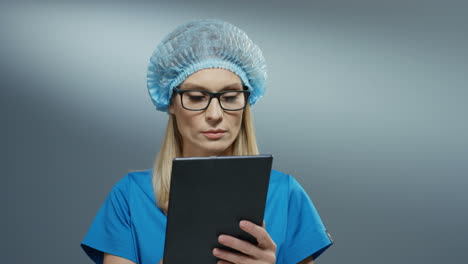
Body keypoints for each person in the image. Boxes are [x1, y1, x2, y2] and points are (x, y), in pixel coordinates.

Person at [80, 19, 333, 264]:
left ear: (247, 102)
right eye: (197, 97)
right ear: (170, 102)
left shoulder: (285, 193)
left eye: (231, 96)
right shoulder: (130, 196)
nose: (215, 114)